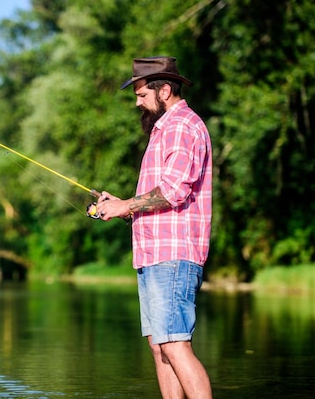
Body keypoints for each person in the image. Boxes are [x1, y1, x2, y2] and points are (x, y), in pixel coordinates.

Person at [96, 56, 213, 398]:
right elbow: (161, 195)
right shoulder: (165, 129)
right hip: (154, 254)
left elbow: (174, 191)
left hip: (173, 255)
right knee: (160, 347)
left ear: (164, 90)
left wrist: (124, 206)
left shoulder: (181, 126)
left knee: (175, 344)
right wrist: (122, 206)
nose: (137, 102)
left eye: (141, 94)